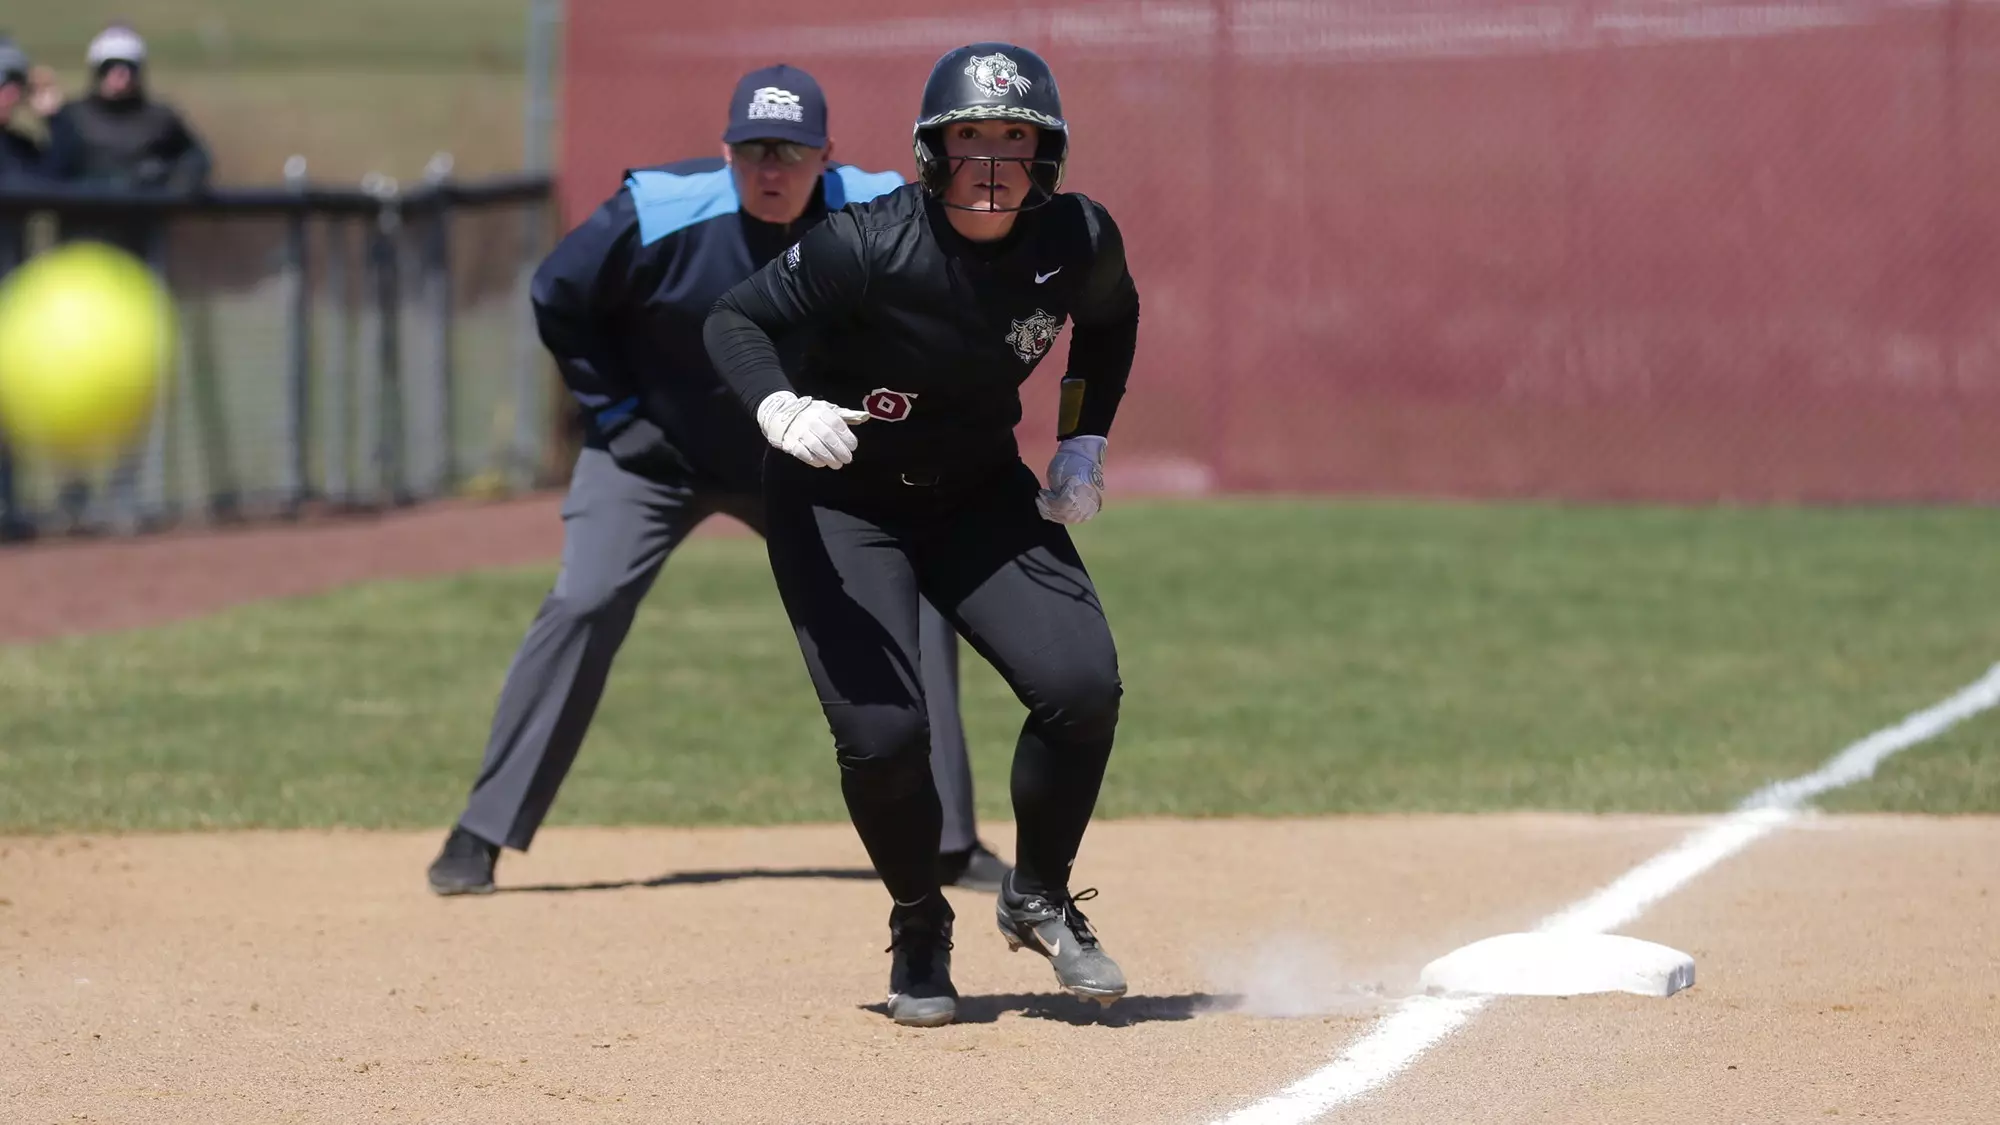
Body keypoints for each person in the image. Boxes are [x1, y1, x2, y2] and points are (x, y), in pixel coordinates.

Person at [426, 64, 1010, 898]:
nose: (772, 170)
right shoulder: (659, 211)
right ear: (726, 151)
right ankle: (480, 831)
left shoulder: (878, 210)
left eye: (792, 152)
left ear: (827, 154)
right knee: (584, 599)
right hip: (656, 455)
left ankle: (947, 841)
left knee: (916, 600)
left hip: (811, 458)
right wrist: (614, 412)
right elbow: (558, 293)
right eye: (754, 150)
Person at [704, 43, 1141, 1027]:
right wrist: (777, 406)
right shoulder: (865, 244)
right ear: (931, 150)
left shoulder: (1076, 236)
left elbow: (1110, 320)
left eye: (1014, 138)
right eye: (969, 136)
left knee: (1080, 688)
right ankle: (918, 919)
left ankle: (1037, 895)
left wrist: (1082, 440)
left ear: (1047, 154)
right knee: (884, 736)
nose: (990, 160)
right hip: (840, 501)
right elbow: (734, 320)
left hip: (976, 493)